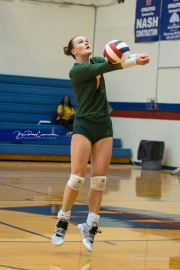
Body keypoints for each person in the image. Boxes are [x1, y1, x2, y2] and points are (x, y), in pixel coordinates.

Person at [51, 35, 150, 252]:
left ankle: (90, 226)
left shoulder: (96, 61)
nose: (85, 42)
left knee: (99, 181)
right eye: (80, 42)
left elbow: (113, 64)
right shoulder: (76, 71)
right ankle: (62, 221)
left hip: (103, 124)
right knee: (77, 177)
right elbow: (111, 66)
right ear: (73, 51)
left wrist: (137, 59)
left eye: (86, 40)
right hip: (84, 124)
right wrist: (131, 60)